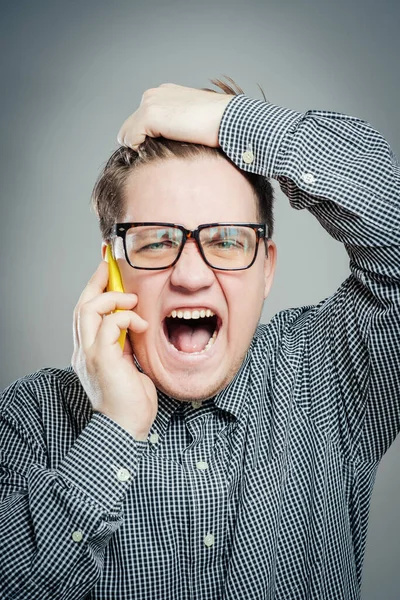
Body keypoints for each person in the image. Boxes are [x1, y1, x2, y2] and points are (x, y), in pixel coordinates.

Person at [0, 78, 399, 600]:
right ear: (113, 272)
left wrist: (228, 118)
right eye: (157, 240)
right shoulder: (33, 416)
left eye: (227, 240)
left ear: (267, 270)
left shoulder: (330, 371)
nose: (191, 275)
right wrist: (113, 430)